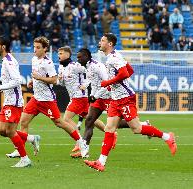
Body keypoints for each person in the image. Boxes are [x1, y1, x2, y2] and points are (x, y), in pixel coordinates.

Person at [84, 33, 177, 172]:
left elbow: (125, 74)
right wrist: (114, 85)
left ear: (109, 44)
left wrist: (108, 82)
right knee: (109, 129)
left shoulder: (114, 58)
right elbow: (130, 70)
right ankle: (101, 162)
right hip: (116, 99)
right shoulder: (113, 57)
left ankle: (167, 136)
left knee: (136, 129)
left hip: (125, 98)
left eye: (102, 40)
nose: (99, 42)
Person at [7, 37, 89, 158]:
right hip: (36, 98)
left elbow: (54, 80)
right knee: (23, 122)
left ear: (45, 49)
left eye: (38, 47)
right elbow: (37, 76)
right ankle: (20, 149)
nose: (35, 50)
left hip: (47, 100)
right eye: (34, 47)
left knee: (59, 122)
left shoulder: (48, 63)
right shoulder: (34, 59)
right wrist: (32, 82)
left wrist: (39, 78)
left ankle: (81, 142)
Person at [71, 48, 150, 158]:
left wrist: (96, 95)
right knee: (89, 120)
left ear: (87, 57)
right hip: (98, 99)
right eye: (77, 57)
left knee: (115, 123)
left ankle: (143, 125)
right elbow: (94, 82)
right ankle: (84, 151)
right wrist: (92, 94)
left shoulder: (98, 66)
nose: (78, 59)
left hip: (109, 97)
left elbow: (108, 83)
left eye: (80, 57)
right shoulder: (87, 67)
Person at [56, 46, 105, 154]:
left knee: (66, 119)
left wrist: (85, 84)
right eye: (58, 53)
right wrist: (59, 80)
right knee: (91, 119)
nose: (58, 55)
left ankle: (80, 142)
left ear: (67, 54)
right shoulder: (61, 67)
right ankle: (110, 132)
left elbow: (90, 73)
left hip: (80, 97)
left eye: (61, 53)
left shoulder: (76, 65)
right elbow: (62, 83)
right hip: (74, 96)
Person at [0, 37, 32, 168]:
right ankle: (31, 138)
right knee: (1, 130)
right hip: (8, 100)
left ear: (3, 47)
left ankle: (25, 159)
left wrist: (0, 87)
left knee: (9, 131)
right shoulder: (5, 61)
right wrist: (1, 90)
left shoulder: (9, 61)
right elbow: (10, 82)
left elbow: (17, 80)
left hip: (13, 102)